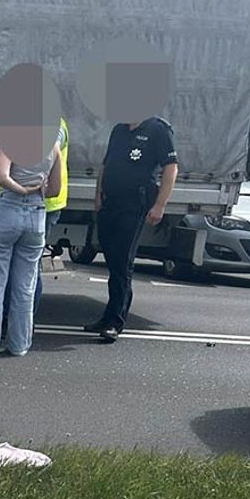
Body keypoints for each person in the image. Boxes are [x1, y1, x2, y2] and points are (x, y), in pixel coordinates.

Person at [84, 116, 179, 342]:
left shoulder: (158, 130)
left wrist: (160, 205)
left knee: (122, 262)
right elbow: (106, 164)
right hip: (111, 203)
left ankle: (114, 321)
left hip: (134, 205)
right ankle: (108, 314)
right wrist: (98, 194)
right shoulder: (119, 129)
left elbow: (171, 169)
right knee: (112, 259)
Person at [0, 138, 61, 357]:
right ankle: (19, 344)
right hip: (37, 215)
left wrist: (21, 189)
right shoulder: (53, 145)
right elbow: (55, 189)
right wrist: (36, 189)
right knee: (26, 285)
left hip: (8, 210)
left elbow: (1, 176)